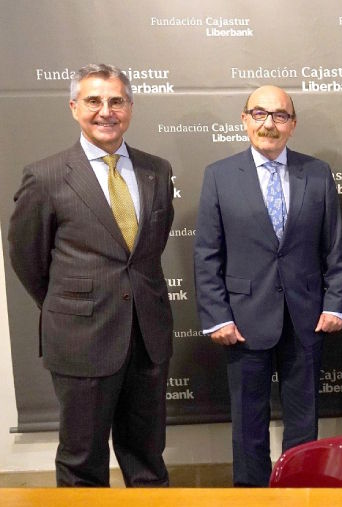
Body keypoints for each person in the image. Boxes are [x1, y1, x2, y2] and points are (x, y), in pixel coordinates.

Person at [7, 63, 174, 487]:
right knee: (82, 461)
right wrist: (71, 303)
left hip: (147, 336)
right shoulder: (45, 176)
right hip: (82, 337)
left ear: (130, 107)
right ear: (74, 107)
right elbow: (28, 258)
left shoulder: (157, 170)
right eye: (94, 101)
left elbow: (148, 250)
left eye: (116, 101)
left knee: (148, 459)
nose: (106, 111)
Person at [193, 85, 342, 486]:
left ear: (293, 125)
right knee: (248, 421)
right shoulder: (219, 175)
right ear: (244, 120)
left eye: (280, 115)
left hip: (306, 318)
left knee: (303, 420)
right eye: (259, 113)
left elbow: (334, 245)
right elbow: (207, 254)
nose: (269, 123)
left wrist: (335, 305)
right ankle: (250, 494)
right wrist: (217, 317)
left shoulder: (317, 172)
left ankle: (301, 491)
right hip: (243, 321)